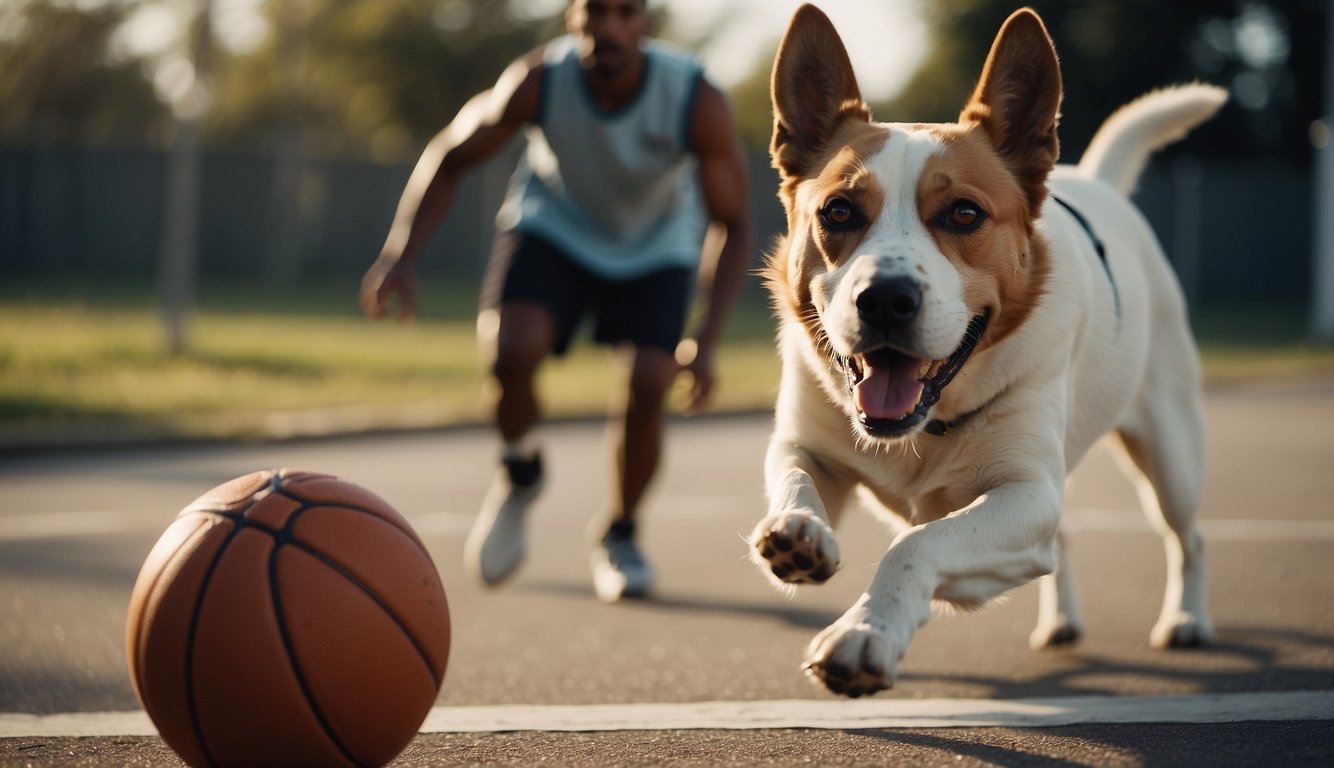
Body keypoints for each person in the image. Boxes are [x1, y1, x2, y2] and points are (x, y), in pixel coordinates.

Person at [359, 0, 752, 602]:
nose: (609, 27)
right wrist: (400, 254)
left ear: (645, 22)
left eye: (625, 13)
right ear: (573, 16)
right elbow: (451, 154)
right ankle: (519, 472)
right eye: (596, 11)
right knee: (511, 348)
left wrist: (707, 338)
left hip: (656, 245)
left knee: (652, 378)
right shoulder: (539, 79)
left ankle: (620, 535)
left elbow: (734, 223)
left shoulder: (695, 98)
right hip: (554, 225)